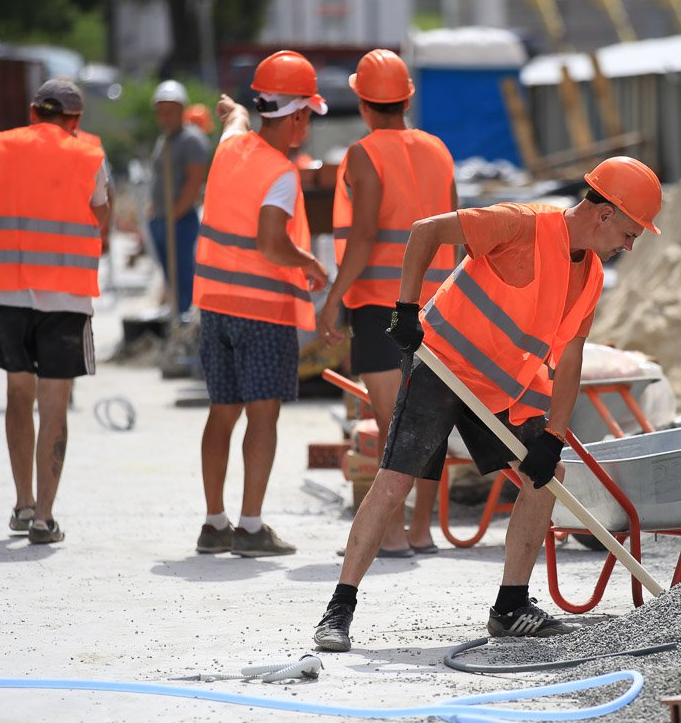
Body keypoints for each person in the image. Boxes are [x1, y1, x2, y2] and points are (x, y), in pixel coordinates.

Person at [312, 156, 662, 651]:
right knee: (394, 482)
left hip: (502, 392)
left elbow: (572, 355)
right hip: (442, 365)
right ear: (605, 214)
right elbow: (426, 231)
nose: (631, 243)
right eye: (631, 231)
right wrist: (407, 308)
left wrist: (555, 437)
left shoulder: (592, 277)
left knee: (546, 476)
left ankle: (511, 606)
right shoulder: (523, 224)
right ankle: (338, 610)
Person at [317, 49, 457, 557]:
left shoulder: (362, 154)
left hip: (380, 305)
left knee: (393, 420)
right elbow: (458, 233)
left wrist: (333, 298)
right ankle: (421, 530)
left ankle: (393, 536)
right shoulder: (438, 150)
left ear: (362, 100)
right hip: (438, 303)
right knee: (430, 416)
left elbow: (364, 234)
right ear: (406, 98)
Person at [191, 50, 330, 557]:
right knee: (263, 417)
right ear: (294, 117)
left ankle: (213, 524)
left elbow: (235, 124)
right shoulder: (282, 173)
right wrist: (310, 265)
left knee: (221, 412)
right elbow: (272, 242)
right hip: (263, 311)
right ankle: (250, 528)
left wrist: (235, 112)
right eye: (307, 116)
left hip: (215, 305)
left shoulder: (229, 150)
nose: (308, 125)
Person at [0, 78, 112, 545]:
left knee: (18, 393)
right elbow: (102, 215)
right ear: (74, 120)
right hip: (68, 297)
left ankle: (22, 504)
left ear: (34, 112)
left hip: (11, 292)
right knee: (54, 403)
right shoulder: (90, 153)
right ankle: (44, 519)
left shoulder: (1, 145)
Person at [149, 79, 209, 318]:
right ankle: (175, 315)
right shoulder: (164, 139)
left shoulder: (191, 140)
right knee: (169, 276)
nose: (165, 117)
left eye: (170, 111)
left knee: (183, 274)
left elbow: (194, 182)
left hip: (180, 221)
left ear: (182, 111)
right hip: (162, 219)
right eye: (161, 112)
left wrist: (175, 214)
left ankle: (185, 320)